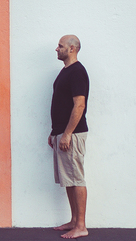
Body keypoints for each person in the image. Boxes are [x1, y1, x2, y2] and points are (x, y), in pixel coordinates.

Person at [48, 34, 89, 239]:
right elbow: (62, 104)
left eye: (60, 46)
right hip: (62, 133)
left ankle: (81, 226)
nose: (57, 49)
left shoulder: (77, 72)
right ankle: (74, 221)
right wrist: (54, 132)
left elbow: (79, 105)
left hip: (72, 134)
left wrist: (67, 134)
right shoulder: (66, 71)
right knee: (69, 179)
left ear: (72, 48)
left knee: (76, 178)